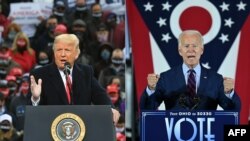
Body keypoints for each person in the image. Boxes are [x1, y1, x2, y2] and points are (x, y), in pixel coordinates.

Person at [29, 34, 120, 124]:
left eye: (67, 50)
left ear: (76, 54)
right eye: (59, 50)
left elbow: (100, 95)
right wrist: (36, 99)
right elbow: (31, 112)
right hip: (50, 129)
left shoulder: (86, 72)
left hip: (81, 130)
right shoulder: (39, 75)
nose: (62, 54)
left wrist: (111, 109)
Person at [140, 30, 241, 111]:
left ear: (202, 50)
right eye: (186, 46)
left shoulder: (215, 79)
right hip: (174, 133)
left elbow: (233, 110)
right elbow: (147, 108)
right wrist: (151, 89)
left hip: (206, 133)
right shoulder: (166, 78)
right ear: (180, 50)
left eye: (195, 46)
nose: (191, 50)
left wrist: (229, 93)